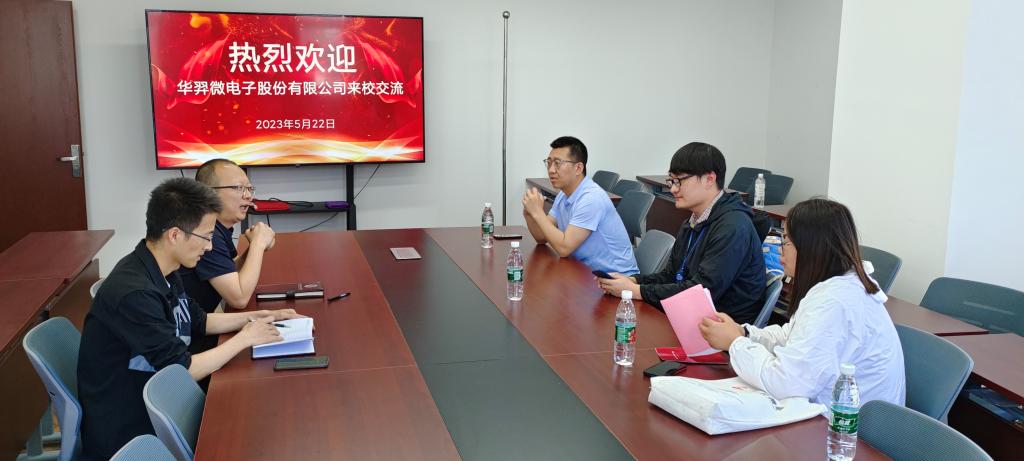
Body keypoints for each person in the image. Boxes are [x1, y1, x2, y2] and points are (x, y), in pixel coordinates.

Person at [77, 178, 302, 460]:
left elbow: (199, 320)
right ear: (174, 235)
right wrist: (244, 339)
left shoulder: (164, 267)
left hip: (161, 398)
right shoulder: (135, 294)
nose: (209, 247)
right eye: (206, 237)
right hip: (134, 428)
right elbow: (182, 369)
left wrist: (259, 316)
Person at [698, 198, 905, 407]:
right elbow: (790, 336)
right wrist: (744, 333)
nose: (781, 249)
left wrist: (735, 343)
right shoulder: (836, 286)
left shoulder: (835, 301)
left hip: (847, 424)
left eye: (786, 240)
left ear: (811, 247)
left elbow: (787, 383)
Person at [598, 142, 764, 323]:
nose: (673, 189)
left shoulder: (733, 227)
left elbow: (701, 292)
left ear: (709, 179)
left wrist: (637, 291)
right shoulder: (692, 221)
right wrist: (633, 281)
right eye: (671, 180)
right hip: (689, 315)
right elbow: (671, 275)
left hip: (720, 327)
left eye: (680, 181)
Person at [523, 136, 639, 275]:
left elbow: (564, 248)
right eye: (549, 163)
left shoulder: (591, 199)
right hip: (584, 272)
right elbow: (541, 237)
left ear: (578, 168)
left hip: (616, 278)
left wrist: (538, 213)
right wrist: (529, 213)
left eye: (557, 163)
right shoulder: (563, 195)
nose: (551, 170)